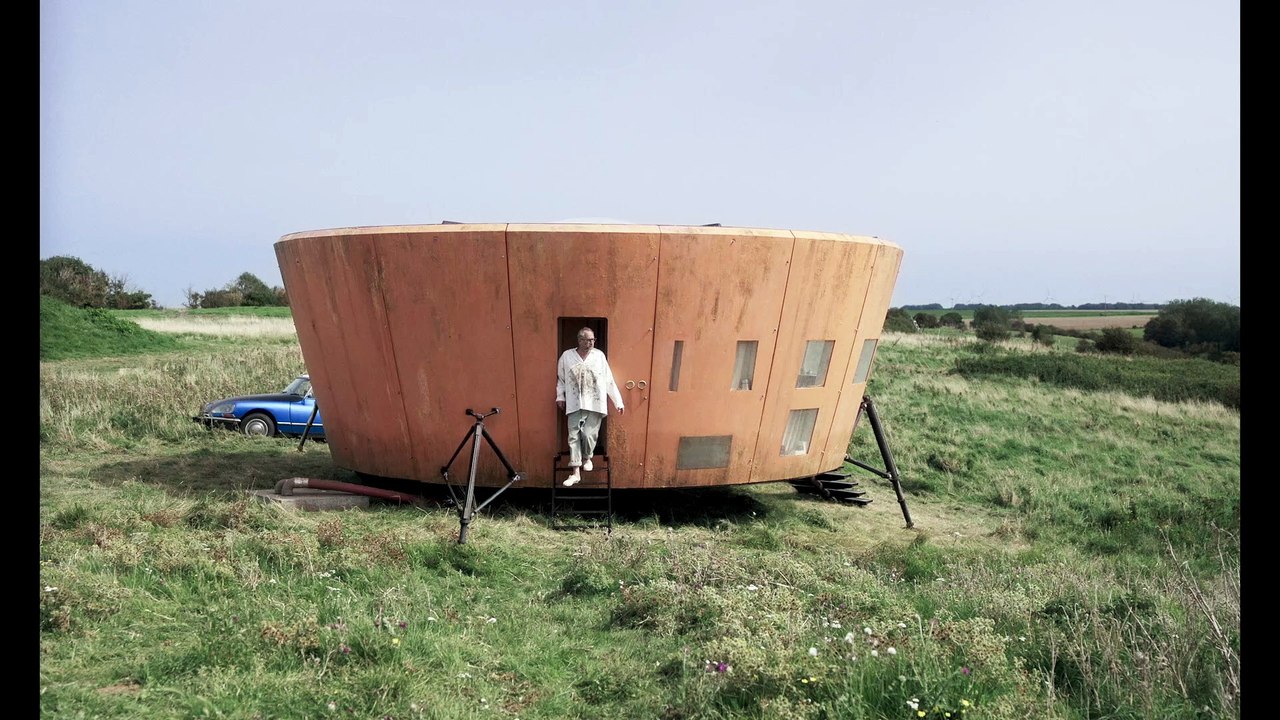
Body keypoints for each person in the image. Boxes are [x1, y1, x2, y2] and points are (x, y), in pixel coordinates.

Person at [556, 327, 624, 486]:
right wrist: (560, 396)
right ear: (580, 340)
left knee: (587, 435)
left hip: (595, 402)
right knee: (573, 436)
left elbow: (608, 380)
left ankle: (587, 457)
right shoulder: (567, 356)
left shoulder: (598, 356)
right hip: (574, 402)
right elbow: (561, 379)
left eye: (593, 340)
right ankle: (575, 473)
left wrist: (617, 401)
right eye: (588, 340)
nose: (591, 343)